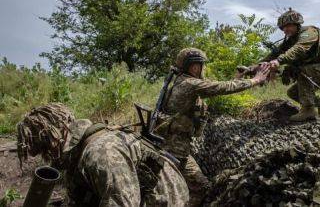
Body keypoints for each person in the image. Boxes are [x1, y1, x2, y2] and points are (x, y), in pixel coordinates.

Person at [154, 47, 270, 206]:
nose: (203, 69)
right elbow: (221, 88)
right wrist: (255, 80)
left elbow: (216, 86)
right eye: (201, 65)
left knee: (199, 187)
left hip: (175, 147)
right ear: (194, 66)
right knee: (194, 188)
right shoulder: (190, 84)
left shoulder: (180, 81)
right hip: (175, 150)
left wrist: (237, 78)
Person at [17, 103, 189, 207]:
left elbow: (123, 203)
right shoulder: (76, 153)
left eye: (45, 149)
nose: (46, 157)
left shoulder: (101, 153)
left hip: (168, 200)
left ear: (55, 137)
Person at [260, 8, 320, 121]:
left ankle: (309, 110)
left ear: (296, 24)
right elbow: (273, 54)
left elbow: (298, 49)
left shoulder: (309, 32)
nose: (285, 30)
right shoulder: (290, 40)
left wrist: (279, 61)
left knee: (302, 70)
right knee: (293, 92)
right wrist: (255, 67)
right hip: (318, 68)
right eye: (283, 27)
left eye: (288, 26)